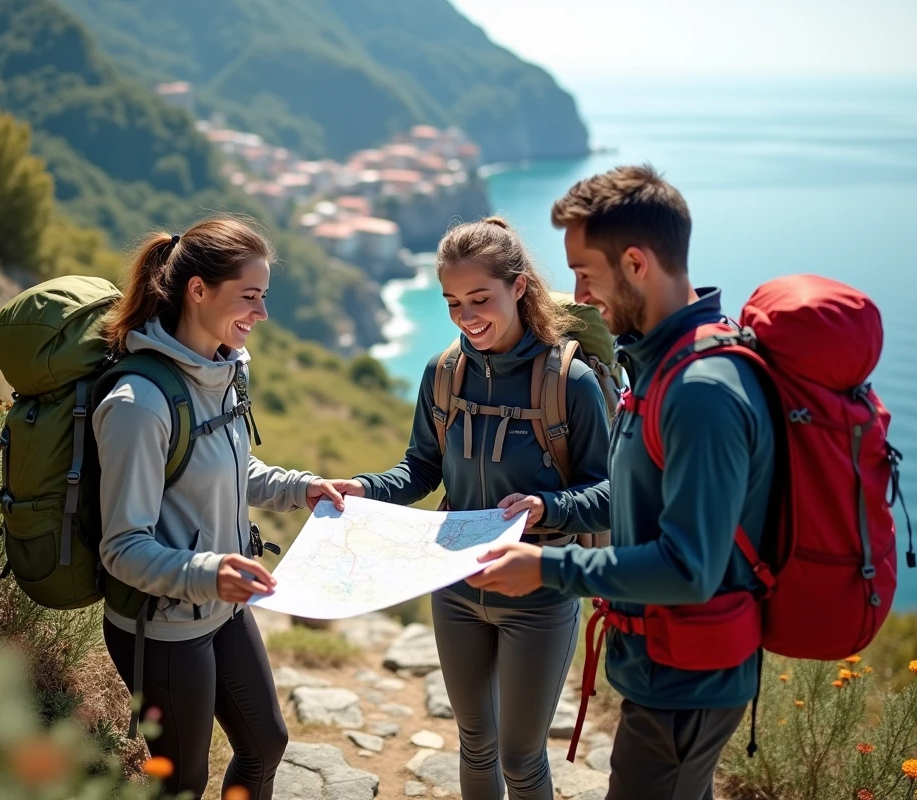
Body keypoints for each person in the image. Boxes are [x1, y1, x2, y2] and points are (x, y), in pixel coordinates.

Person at [466, 165, 776, 800]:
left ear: (636, 263)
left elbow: (689, 567)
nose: (577, 295)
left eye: (585, 273)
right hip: (662, 671)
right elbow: (637, 507)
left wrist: (549, 570)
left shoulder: (699, 393)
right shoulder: (661, 366)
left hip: (687, 683)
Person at [325, 217, 612, 800]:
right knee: (474, 741)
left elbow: (608, 497)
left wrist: (545, 506)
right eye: (453, 302)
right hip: (453, 584)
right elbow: (419, 471)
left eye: (480, 299)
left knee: (521, 758)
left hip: (539, 593)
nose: (465, 316)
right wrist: (363, 488)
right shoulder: (442, 374)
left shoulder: (571, 382)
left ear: (519, 288)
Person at [94, 216, 346, 799]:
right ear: (198, 290)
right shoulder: (138, 405)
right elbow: (121, 548)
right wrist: (211, 572)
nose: (261, 313)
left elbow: (229, 473)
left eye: (264, 297)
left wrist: (301, 488)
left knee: (265, 745)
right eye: (249, 297)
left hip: (222, 607)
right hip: (162, 626)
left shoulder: (225, 370)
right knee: (182, 781)